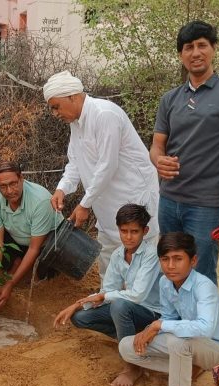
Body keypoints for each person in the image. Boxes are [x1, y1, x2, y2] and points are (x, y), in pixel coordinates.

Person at [150, 20, 219, 285]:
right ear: (180, 55)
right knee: (172, 270)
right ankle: (177, 326)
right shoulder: (170, 99)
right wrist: (158, 161)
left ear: (214, 49)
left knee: (201, 275)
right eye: (188, 47)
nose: (195, 53)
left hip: (206, 205)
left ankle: (203, 327)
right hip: (169, 200)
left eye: (201, 45)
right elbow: (157, 145)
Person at [44, 70, 160, 279]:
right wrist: (62, 188)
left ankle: (146, 307)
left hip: (133, 196)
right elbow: (75, 162)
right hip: (106, 203)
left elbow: (108, 165)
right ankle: (109, 300)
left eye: (56, 107)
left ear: (73, 96)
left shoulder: (104, 114)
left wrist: (85, 204)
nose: (54, 114)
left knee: (142, 260)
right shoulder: (76, 124)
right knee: (110, 258)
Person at [119, 232, 219, 386]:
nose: (171, 266)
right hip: (188, 343)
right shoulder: (165, 282)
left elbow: (205, 327)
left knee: (179, 343)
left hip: (217, 352)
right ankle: (186, 369)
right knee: (127, 346)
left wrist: (158, 326)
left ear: (193, 260)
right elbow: (169, 316)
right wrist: (150, 329)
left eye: (178, 259)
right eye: (165, 259)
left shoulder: (204, 287)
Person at [53, 204, 161, 386]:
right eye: (124, 231)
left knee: (119, 306)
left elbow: (137, 295)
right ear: (118, 229)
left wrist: (104, 297)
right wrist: (77, 305)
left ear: (145, 231)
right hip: (130, 310)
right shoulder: (118, 254)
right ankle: (131, 338)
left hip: (152, 313)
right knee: (80, 317)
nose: (128, 237)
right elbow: (107, 290)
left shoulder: (152, 254)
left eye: (134, 231)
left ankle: (132, 366)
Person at [0, 161, 63, 310]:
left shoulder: (40, 200)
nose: (10, 191)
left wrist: (9, 285)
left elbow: (34, 248)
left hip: (44, 244)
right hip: (18, 241)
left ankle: (34, 273)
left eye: (13, 183)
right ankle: (14, 263)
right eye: (3, 186)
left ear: (21, 178)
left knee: (47, 264)